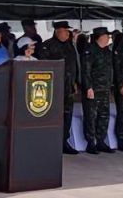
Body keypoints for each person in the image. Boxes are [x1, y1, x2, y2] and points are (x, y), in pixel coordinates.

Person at [36, 21, 80, 154]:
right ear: (57, 31)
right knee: (52, 115)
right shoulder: (47, 46)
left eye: (68, 31)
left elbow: (74, 65)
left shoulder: (69, 45)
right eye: (65, 30)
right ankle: (51, 142)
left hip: (69, 88)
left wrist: (76, 82)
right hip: (54, 88)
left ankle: (64, 142)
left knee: (67, 115)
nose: (68, 33)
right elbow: (43, 67)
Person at [81, 27, 115, 154]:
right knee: (91, 116)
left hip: (104, 89)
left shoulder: (107, 51)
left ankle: (101, 140)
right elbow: (86, 70)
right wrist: (88, 87)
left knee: (104, 116)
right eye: (107, 36)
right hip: (93, 89)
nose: (108, 38)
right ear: (100, 36)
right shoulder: (89, 50)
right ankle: (91, 142)